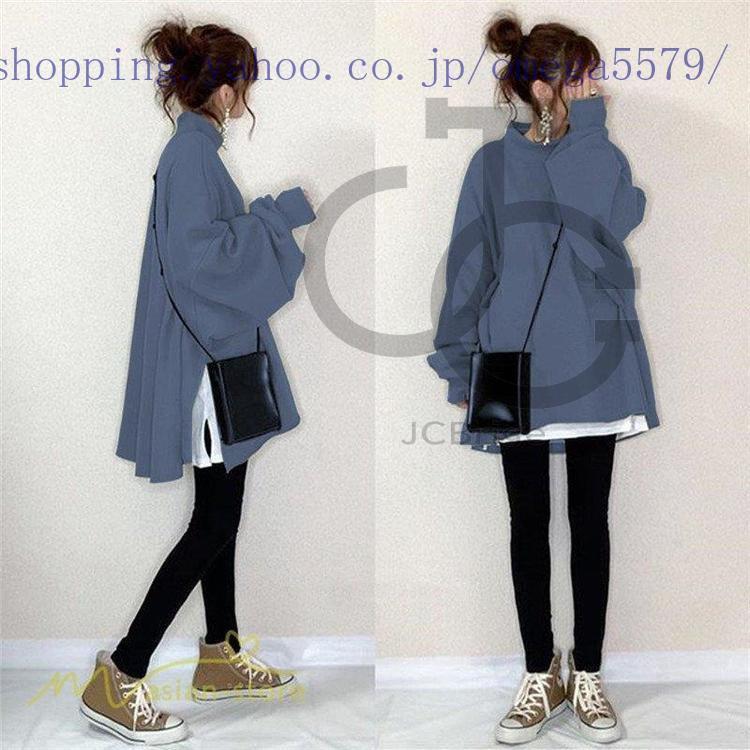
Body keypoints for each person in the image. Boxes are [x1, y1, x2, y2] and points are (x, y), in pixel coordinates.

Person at [79, 19, 315, 744]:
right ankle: (121, 674)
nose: (247, 95)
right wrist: (275, 217)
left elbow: (199, 257)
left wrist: (259, 222)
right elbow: (198, 264)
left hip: (215, 358)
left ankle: (218, 653)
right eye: (245, 81)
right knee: (213, 521)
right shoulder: (189, 156)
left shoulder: (195, 152)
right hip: (208, 364)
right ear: (226, 87)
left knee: (223, 512)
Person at [427, 13, 659, 745]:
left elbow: (604, 224)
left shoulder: (600, 152)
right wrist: (458, 358)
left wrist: (587, 131)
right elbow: (470, 264)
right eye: (578, 77)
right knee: (527, 521)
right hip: (514, 362)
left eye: (591, 76)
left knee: (590, 520)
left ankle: (587, 671)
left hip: (595, 357)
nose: (592, 88)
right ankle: (539, 671)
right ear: (540, 87)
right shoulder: (491, 166)